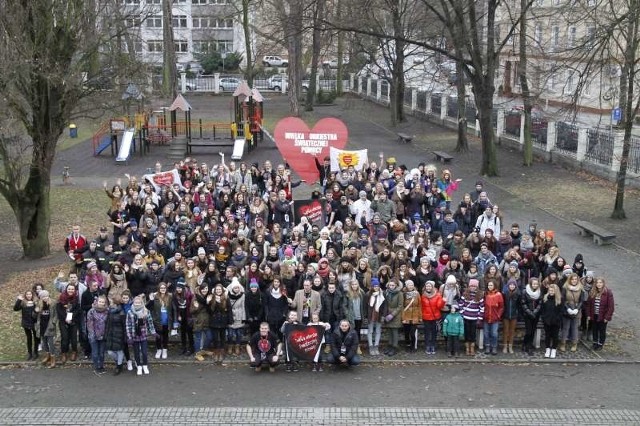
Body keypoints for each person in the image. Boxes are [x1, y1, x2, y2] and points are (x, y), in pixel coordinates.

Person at [126, 295, 156, 375]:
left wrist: (153, 332)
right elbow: (128, 325)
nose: (137, 304)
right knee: (136, 353)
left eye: (139, 302)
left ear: (141, 303)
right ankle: (139, 366)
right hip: (134, 335)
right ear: (133, 302)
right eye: (136, 302)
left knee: (144, 352)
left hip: (143, 334)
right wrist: (129, 337)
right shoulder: (130, 312)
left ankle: (145, 365)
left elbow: (150, 322)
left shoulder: (146, 311)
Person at [560, 273, 586, 353]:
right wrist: (567, 308)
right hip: (567, 309)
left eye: (575, 279)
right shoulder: (565, 287)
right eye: (572, 279)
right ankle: (563, 343)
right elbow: (563, 299)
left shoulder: (581, 288)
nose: (574, 281)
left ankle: (574, 343)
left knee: (575, 328)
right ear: (570, 279)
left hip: (576, 309)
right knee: (565, 327)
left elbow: (582, 300)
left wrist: (577, 309)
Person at [586, 277, 614, 351]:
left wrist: (607, 317)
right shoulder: (593, 292)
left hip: (603, 315)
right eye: (597, 282)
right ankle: (595, 343)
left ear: (603, 283)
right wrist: (588, 314)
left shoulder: (608, 292)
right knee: (594, 329)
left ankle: (600, 344)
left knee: (602, 330)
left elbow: (611, 306)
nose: (599, 284)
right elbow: (588, 304)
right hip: (594, 314)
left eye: (600, 282)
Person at [207, 283, 233, 363]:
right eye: (217, 289)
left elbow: (229, 310)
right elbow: (209, 311)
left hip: (223, 320)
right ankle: (216, 352)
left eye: (219, 289)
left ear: (222, 290)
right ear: (215, 290)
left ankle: (221, 353)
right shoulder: (212, 298)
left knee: (222, 338)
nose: (218, 291)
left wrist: (230, 320)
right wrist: (208, 303)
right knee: (215, 338)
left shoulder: (226, 298)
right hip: (214, 320)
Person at [57, 283, 81, 363]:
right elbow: (59, 310)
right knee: (65, 337)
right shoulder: (61, 298)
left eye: (72, 289)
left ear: (75, 290)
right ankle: (64, 352)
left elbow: (77, 310)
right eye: (69, 289)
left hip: (73, 321)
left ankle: (74, 351)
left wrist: (71, 318)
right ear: (66, 289)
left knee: (74, 338)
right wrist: (66, 318)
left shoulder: (76, 299)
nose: (71, 290)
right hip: (63, 320)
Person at [458, 279, 484, 356]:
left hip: (474, 318)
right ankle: (467, 347)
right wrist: (462, 313)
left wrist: (479, 317)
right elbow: (460, 305)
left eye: (474, 286)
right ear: (469, 286)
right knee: (466, 333)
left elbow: (482, 307)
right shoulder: (465, 294)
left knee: (473, 333)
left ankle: (472, 347)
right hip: (466, 317)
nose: (473, 287)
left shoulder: (479, 295)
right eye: (471, 286)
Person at [148, 282, 173, 360]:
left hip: (166, 319)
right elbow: (148, 307)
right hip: (158, 320)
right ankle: (159, 350)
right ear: (159, 289)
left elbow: (173, 308)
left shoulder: (170, 296)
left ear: (166, 289)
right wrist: (151, 300)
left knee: (165, 336)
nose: (163, 289)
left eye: (164, 288)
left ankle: (164, 350)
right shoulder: (155, 296)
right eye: (161, 288)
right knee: (158, 336)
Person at [86, 295, 109, 375]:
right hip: (94, 335)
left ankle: (101, 366)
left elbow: (108, 324)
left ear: (105, 303)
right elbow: (89, 324)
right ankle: (96, 367)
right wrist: (92, 335)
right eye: (100, 301)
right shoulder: (91, 311)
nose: (101, 303)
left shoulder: (107, 311)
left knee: (101, 353)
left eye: (103, 302)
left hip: (103, 335)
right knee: (95, 353)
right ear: (97, 302)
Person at [13, 289, 39, 360]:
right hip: (26, 323)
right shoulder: (23, 303)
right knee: (29, 338)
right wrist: (19, 300)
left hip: (34, 323)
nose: (29, 295)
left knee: (36, 338)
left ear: (32, 295)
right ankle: (30, 353)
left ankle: (36, 353)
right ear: (25, 295)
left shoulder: (35, 303)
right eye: (27, 294)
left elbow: (37, 312)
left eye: (30, 294)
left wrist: (36, 311)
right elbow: (15, 309)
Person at [105, 295, 127, 375]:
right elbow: (107, 324)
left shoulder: (121, 313)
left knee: (119, 351)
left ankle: (119, 366)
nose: (109, 303)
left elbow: (124, 325)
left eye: (111, 302)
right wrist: (106, 334)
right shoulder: (110, 311)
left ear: (115, 303)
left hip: (119, 334)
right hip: (111, 334)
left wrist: (125, 336)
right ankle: (119, 362)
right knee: (110, 351)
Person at [420, 281, 445, 355]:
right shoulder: (423, 295)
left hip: (435, 317)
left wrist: (443, 301)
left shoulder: (438, 295)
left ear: (432, 287)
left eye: (430, 286)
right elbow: (421, 306)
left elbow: (439, 306)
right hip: (426, 317)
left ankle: (433, 345)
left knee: (434, 332)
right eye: (427, 286)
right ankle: (427, 345)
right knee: (427, 332)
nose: (428, 287)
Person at [520, 277, 542, 355]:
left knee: (533, 330)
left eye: (536, 284)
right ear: (530, 284)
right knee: (528, 331)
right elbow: (523, 303)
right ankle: (526, 345)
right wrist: (529, 312)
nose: (535, 285)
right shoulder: (525, 291)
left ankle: (528, 344)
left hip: (536, 314)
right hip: (527, 314)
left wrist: (535, 312)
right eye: (533, 284)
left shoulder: (539, 292)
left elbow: (540, 303)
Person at [540, 284, 563, 358]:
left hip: (556, 322)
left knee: (555, 336)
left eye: (553, 290)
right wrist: (543, 318)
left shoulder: (560, 299)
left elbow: (561, 311)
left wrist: (558, 319)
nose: (551, 292)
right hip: (547, 321)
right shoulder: (545, 298)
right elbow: (542, 309)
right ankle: (547, 349)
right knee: (547, 335)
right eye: (550, 290)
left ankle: (553, 349)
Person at [37, 291, 59, 368]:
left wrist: (53, 322)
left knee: (51, 343)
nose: (45, 298)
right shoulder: (39, 304)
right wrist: (35, 311)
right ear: (41, 297)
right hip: (42, 325)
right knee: (44, 342)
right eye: (43, 297)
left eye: (46, 296)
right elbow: (35, 315)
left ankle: (53, 358)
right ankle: (48, 356)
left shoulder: (53, 303)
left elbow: (56, 314)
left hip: (50, 325)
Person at [482, 280, 504, 355]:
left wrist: (498, 315)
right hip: (486, 317)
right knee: (486, 333)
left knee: (494, 333)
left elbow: (501, 307)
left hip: (495, 318)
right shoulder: (485, 294)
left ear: (494, 286)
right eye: (488, 285)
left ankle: (494, 347)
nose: (490, 287)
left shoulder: (498, 295)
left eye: (491, 285)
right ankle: (487, 346)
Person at [382, 280, 403, 356]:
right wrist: (385, 315)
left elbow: (400, 306)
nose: (391, 287)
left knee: (394, 332)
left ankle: (395, 347)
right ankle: (390, 346)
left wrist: (392, 315)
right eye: (390, 285)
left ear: (396, 286)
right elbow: (385, 304)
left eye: (393, 285)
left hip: (396, 314)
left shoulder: (399, 293)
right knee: (389, 331)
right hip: (388, 313)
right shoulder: (386, 292)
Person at [364, 279, 385, 355]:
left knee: (378, 331)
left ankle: (376, 346)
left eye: (377, 286)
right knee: (370, 331)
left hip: (379, 315)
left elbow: (384, 306)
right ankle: (371, 346)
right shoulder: (367, 295)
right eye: (374, 286)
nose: (376, 287)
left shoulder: (382, 294)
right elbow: (365, 307)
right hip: (370, 315)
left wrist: (383, 315)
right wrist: (365, 316)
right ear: (372, 286)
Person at [501, 278, 520, 354]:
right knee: (505, 331)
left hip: (514, 315)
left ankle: (510, 346)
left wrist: (517, 313)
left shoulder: (518, 294)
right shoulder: (504, 293)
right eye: (510, 285)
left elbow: (519, 305)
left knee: (512, 331)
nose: (512, 286)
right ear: (508, 285)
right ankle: (505, 346)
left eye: (513, 285)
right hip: (505, 315)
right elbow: (502, 305)